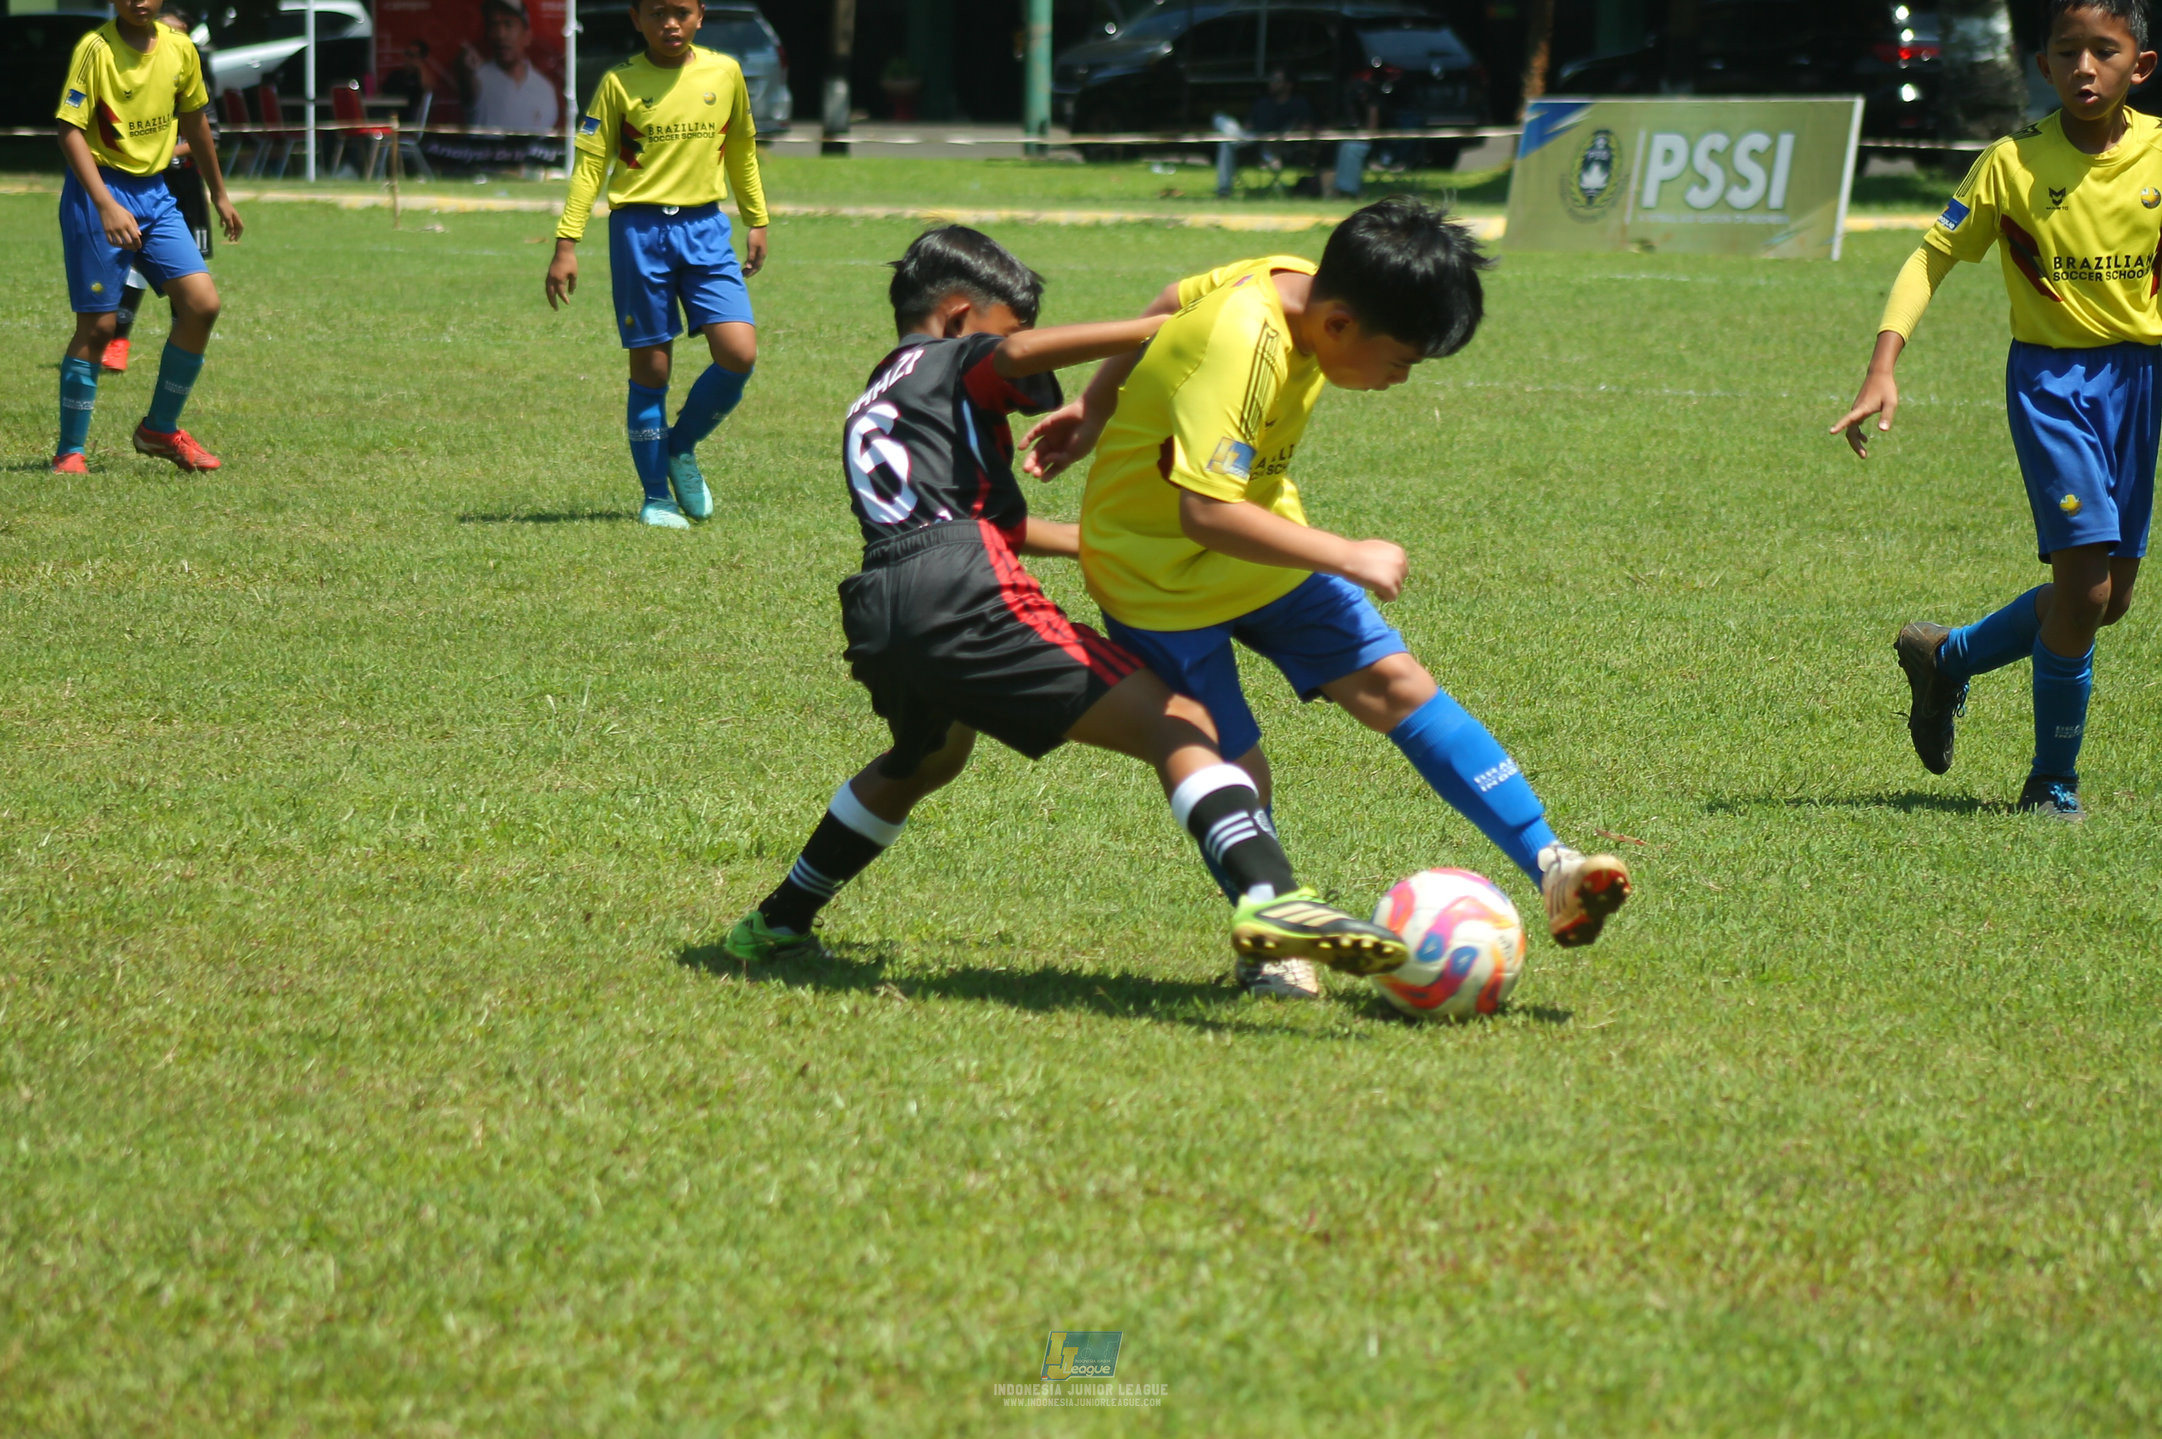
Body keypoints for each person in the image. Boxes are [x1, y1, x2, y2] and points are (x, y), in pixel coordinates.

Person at [722, 226, 1409, 998]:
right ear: (956, 318)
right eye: (1007, 326)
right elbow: (1010, 359)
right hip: (964, 593)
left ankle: (777, 919)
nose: (1015, 348)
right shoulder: (950, 356)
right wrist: (1169, 327)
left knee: (924, 760)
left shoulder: (879, 394)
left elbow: (980, 523)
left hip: (884, 601)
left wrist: (1095, 541)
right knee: (1180, 719)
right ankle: (1271, 899)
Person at [1026, 198, 1635, 950]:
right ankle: (1275, 933)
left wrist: (1093, 403)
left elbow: (1167, 303)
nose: (1401, 380)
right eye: (1400, 361)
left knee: (1399, 686)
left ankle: (1553, 866)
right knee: (1235, 764)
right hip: (1157, 578)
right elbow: (1203, 515)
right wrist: (1347, 553)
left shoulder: (1296, 282)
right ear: (1340, 325)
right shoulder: (1244, 345)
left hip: (1263, 544)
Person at [1832, 0, 2160, 821]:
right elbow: (1931, 255)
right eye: (2066, 52)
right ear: (2040, 65)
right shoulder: (2012, 163)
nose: (2085, 67)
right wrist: (1883, 364)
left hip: (2140, 385)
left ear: (2140, 67)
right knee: (2082, 590)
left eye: (2104, 51)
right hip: (2053, 386)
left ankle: (1949, 657)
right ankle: (2052, 781)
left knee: (2109, 599)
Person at [545, 0, 767, 529]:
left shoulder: (725, 72)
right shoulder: (619, 83)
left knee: (739, 352)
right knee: (652, 368)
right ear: (636, 19)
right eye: (657, 13)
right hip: (639, 232)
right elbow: (591, 163)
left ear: (700, 16)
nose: (670, 23)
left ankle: (680, 446)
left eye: (681, 12)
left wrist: (756, 217)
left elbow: (741, 145)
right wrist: (566, 241)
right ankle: (656, 499)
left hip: (706, 228)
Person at [52, 0, 242, 475]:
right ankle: (69, 452)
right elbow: (68, 130)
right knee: (97, 328)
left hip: (155, 195)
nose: (140, 1)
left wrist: (219, 193)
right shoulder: (95, 49)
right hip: (99, 190)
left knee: (202, 304)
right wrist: (105, 204)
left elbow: (196, 122)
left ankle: (159, 429)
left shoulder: (180, 48)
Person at [102, 6, 212, 375]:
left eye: (180, 31)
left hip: (185, 187)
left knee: (190, 275)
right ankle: (118, 341)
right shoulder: (127, 68)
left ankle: (183, 339)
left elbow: (207, 133)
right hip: (143, 184)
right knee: (133, 262)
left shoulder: (190, 68)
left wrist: (165, 153)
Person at [462, 0, 560, 134]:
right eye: (494, 25)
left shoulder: (545, 89)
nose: (500, 35)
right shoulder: (477, 79)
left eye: (508, 25)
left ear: (527, 36)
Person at [1215, 69, 1313, 199]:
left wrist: (1285, 136)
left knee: (1227, 143)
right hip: (1253, 141)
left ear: (1289, 85)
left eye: (1277, 80)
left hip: (1279, 145)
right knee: (1219, 119)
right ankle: (1224, 191)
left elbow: (1307, 129)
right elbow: (1248, 125)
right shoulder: (1263, 102)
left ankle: (1233, 139)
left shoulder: (1298, 104)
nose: (1272, 83)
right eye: (1271, 80)